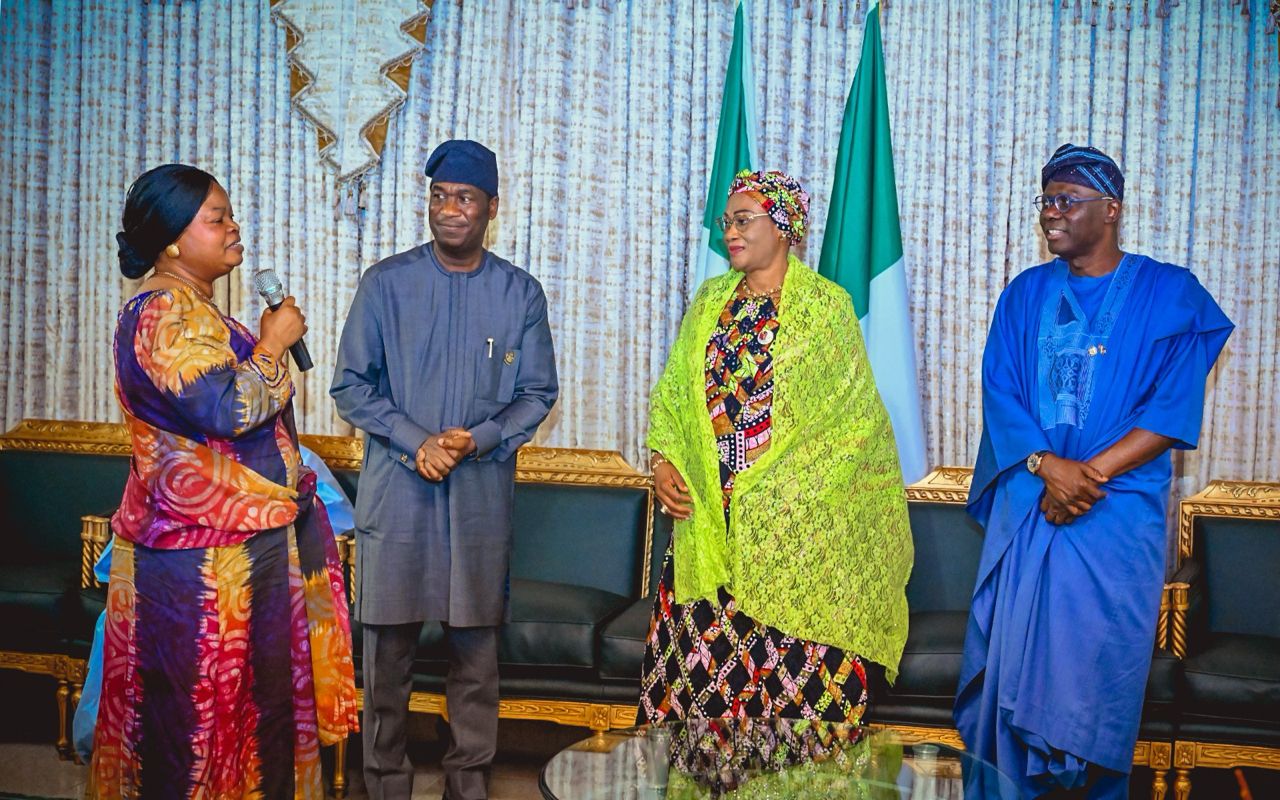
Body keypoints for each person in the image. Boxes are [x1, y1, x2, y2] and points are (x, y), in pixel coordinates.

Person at [955, 144, 1234, 798]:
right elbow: (1001, 393)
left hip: (1116, 517)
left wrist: (1084, 475)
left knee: (1093, 686)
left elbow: (1170, 408)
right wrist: (1048, 466)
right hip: (1031, 505)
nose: (1051, 213)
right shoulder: (1024, 295)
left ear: (1111, 209)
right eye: (1046, 200)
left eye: (1067, 200)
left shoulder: (1169, 293)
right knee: (1012, 681)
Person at [96, 163, 358, 798]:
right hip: (198, 562)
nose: (234, 227)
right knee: (195, 723)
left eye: (230, 215)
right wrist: (271, 346)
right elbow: (226, 409)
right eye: (217, 219)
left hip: (242, 547)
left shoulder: (199, 310)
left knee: (250, 716)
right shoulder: (162, 313)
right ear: (170, 241)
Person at [637, 169, 913, 726]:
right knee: (703, 694)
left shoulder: (825, 308)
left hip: (797, 531)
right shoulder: (710, 301)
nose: (730, 232)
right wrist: (664, 462)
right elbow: (673, 396)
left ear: (784, 227)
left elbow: (853, 424)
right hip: (710, 523)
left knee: (795, 707)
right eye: (727, 221)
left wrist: (782, 489)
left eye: (744, 220)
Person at [331, 139, 558, 800]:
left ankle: (468, 787)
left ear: (491, 207)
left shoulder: (519, 294)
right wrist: (416, 442)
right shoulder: (386, 284)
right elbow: (350, 386)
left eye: (464, 198)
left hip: (477, 500)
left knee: (475, 664)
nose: (450, 210)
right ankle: (385, 787)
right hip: (398, 497)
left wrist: (476, 439)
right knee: (386, 662)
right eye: (439, 196)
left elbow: (536, 393)